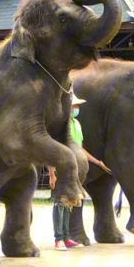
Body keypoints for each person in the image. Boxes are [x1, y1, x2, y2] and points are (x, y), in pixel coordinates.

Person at [48, 94, 110, 250]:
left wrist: (97, 162)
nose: (76, 109)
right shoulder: (58, 127)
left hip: (75, 169)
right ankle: (58, 239)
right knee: (59, 203)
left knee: (70, 202)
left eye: (76, 106)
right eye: (73, 106)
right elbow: (50, 150)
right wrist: (51, 173)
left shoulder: (76, 124)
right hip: (61, 167)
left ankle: (67, 237)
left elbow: (80, 148)